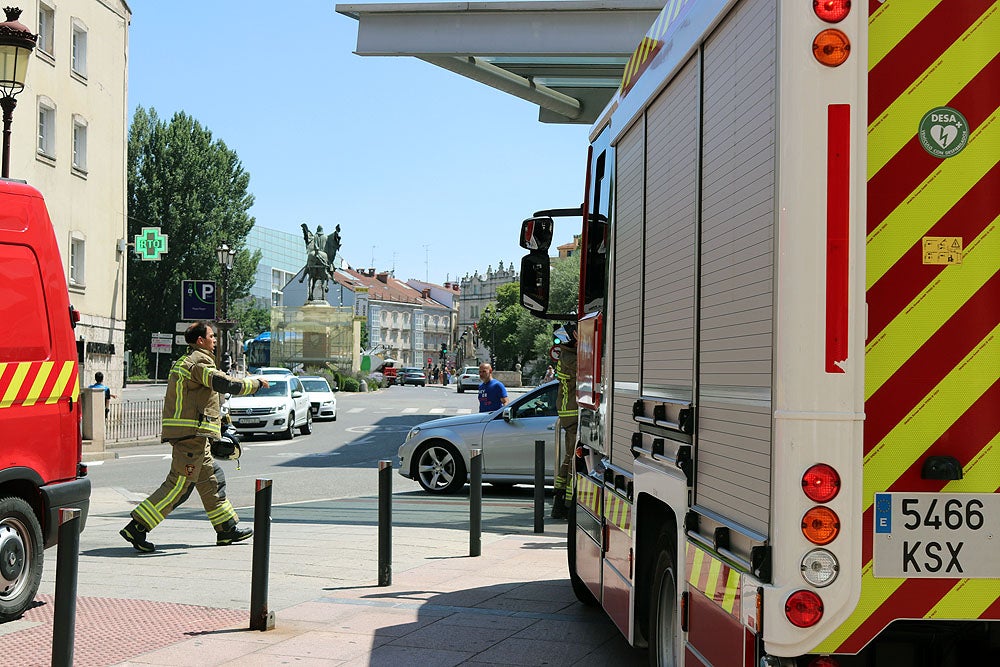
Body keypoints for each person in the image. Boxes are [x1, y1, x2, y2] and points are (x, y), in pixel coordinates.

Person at [119, 321, 269, 553]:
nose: (215, 340)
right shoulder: (199, 361)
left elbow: (206, 399)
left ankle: (226, 529)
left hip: (194, 436)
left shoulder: (188, 361)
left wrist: (222, 423)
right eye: (211, 336)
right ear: (200, 340)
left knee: (212, 481)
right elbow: (223, 383)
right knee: (179, 486)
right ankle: (137, 527)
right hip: (191, 436)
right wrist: (255, 383)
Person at [551, 324, 578, 520]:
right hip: (572, 412)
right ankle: (567, 505)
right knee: (571, 459)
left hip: (568, 412)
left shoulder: (565, 355)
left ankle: (560, 502)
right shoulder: (571, 358)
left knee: (568, 458)